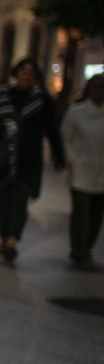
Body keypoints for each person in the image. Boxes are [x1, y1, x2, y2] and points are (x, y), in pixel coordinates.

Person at [0, 57, 66, 264]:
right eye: (23, 71)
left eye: (30, 72)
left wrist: (59, 157)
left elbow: (52, 130)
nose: (26, 75)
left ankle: (12, 241)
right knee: (4, 201)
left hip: (29, 159)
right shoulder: (2, 95)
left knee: (20, 199)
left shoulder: (42, 100)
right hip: (4, 158)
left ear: (36, 76)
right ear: (16, 73)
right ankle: (4, 236)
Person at [62, 72, 104, 269]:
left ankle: (87, 247)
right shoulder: (76, 112)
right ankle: (78, 249)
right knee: (81, 213)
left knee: (96, 215)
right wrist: (71, 159)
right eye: (96, 86)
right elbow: (66, 138)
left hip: (101, 172)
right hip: (81, 171)